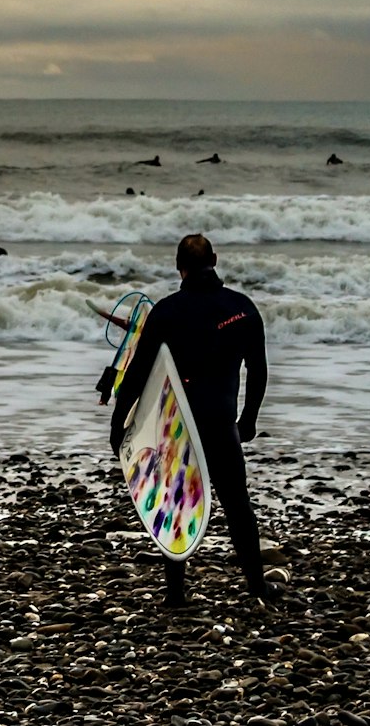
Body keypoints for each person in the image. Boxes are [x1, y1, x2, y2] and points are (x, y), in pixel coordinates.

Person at [108, 234, 272, 608]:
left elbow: (138, 373)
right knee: (237, 503)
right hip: (221, 421)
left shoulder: (167, 312)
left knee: (175, 501)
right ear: (214, 258)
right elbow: (258, 369)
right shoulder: (242, 308)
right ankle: (256, 588)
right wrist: (249, 418)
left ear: (176, 265)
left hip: (179, 425)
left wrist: (119, 423)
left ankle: (176, 595)